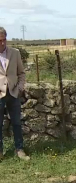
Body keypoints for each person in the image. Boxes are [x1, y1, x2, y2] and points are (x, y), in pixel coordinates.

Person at [0, 27, 29, 161]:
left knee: (17, 123)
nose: (2, 43)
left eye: (4, 40)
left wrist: (19, 89)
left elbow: (21, 73)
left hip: (13, 93)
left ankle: (19, 149)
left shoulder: (15, 53)